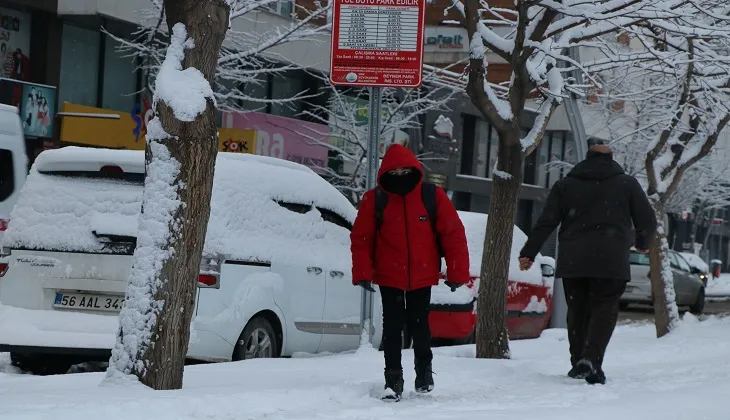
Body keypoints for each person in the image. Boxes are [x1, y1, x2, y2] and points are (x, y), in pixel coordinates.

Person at [518, 141, 656, 385]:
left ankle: (578, 361)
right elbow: (647, 218)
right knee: (604, 309)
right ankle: (591, 359)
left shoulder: (566, 185)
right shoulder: (627, 185)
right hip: (611, 260)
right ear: (612, 159)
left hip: (575, 259)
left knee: (577, 311)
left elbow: (546, 221)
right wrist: (644, 241)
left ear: (587, 157)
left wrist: (529, 252)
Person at [350, 144, 470, 400]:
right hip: (389, 274)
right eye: (395, 172)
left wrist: (457, 272)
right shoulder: (376, 199)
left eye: (405, 170)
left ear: (414, 169)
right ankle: (392, 380)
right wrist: (362, 271)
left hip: (422, 273)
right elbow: (361, 238)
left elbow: (453, 234)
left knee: (420, 325)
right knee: (392, 328)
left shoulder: (431, 195)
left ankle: (424, 372)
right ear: (385, 173)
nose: (401, 176)